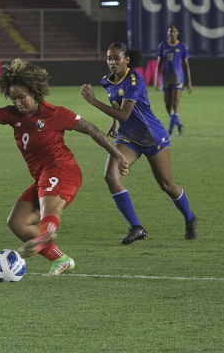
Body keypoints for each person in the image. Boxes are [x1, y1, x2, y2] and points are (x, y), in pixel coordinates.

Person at [0, 58, 129, 276]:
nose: (18, 103)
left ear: (35, 93)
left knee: (49, 209)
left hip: (62, 170)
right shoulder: (13, 115)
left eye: (22, 97)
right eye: (13, 98)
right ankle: (62, 259)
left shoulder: (54, 114)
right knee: (17, 222)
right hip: (42, 176)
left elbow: (90, 128)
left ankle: (48, 233)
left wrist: (116, 154)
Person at [80, 42, 197, 244]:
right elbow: (118, 106)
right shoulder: (107, 81)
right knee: (110, 175)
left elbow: (125, 114)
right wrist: (113, 122)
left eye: (117, 58)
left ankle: (190, 218)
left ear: (127, 59)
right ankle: (137, 227)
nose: (112, 62)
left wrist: (93, 102)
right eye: (109, 57)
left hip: (152, 136)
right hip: (128, 137)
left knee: (167, 185)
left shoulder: (134, 80)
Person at [153, 23, 192, 136]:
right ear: (168, 33)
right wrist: (156, 80)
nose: (172, 33)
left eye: (174, 31)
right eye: (170, 31)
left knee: (175, 104)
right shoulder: (163, 46)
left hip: (178, 78)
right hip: (166, 78)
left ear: (177, 33)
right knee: (167, 105)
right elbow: (158, 64)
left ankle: (169, 130)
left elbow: (186, 66)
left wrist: (189, 82)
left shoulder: (182, 47)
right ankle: (179, 125)